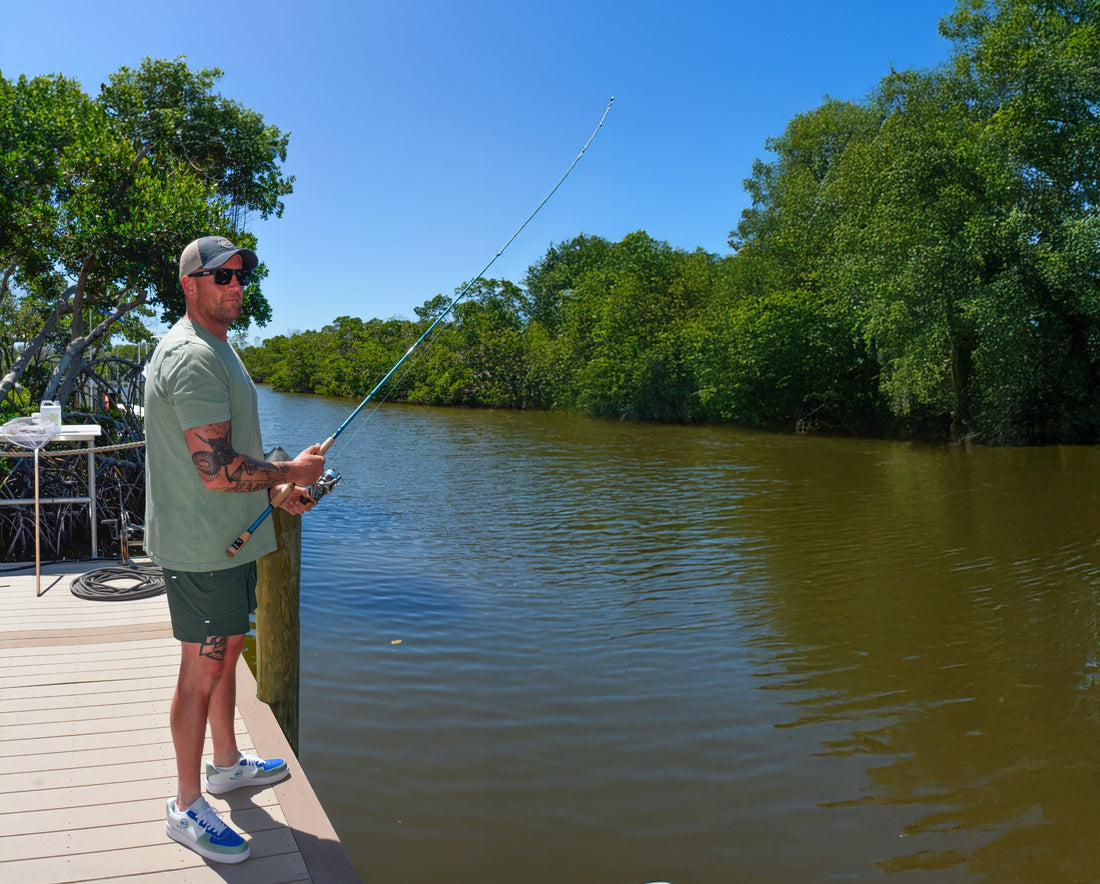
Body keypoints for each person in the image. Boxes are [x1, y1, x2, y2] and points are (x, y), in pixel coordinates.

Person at [144, 235, 325, 863]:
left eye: (241, 275)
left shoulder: (220, 347)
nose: (236, 285)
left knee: (225, 660)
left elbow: (231, 460)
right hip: (200, 550)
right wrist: (292, 472)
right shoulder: (193, 356)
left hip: (228, 541)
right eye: (221, 276)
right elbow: (217, 469)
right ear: (190, 285)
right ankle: (185, 805)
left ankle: (225, 765)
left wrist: (277, 494)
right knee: (202, 671)